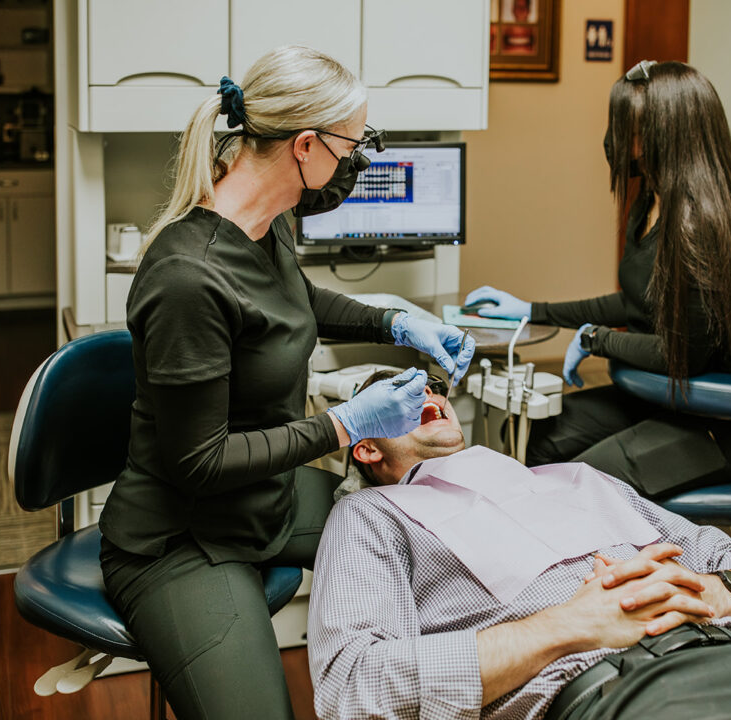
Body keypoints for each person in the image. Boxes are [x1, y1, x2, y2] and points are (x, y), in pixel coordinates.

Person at [96, 46, 476, 720]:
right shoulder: (188, 277)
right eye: (353, 147)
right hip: (182, 538)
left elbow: (296, 302)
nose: (357, 163)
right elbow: (198, 463)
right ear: (306, 146)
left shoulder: (268, 224)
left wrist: (396, 320)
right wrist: (350, 423)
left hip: (264, 499)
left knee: (438, 552)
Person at [309, 373, 731, 720]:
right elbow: (352, 689)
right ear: (366, 444)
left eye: (426, 386)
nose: (422, 393)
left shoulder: (573, 478)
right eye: (393, 397)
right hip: (625, 692)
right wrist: (566, 627)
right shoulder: (373, 517)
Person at [465, 60, 731, 500]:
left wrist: (597, 340)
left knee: (582, 484)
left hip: (715, 427)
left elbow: (683, 354)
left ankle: (623, 565)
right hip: (658, 402)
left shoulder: (700, 226)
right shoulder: (650, 201)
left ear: (665, 133)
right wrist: (533, 310)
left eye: (625, 128)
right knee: (538, 436)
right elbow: (636, 303)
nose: (612, 141)